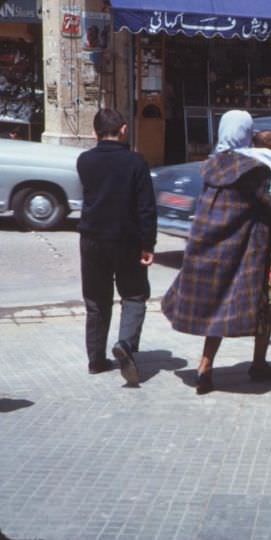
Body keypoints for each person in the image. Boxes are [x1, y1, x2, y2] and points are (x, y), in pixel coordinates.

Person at [161, 110, 271, 394]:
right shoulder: (255, 169)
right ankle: (259, 362)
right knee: (266, 302)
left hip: (215, 248)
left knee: (217, 305)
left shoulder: (211, 166)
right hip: (253, 250)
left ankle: (206, 363)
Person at [76, 108, 156, 384]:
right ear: (123, 129)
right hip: (127, 239)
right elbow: (146, 207)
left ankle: (96, 360)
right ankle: (125, 344)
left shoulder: (84, 160)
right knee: (134, 295)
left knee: (96, 300)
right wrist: (149, 244)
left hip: (92, 238)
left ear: (94, 133)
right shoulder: (136, 162)